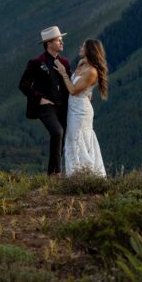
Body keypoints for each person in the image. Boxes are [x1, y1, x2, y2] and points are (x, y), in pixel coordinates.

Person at [18, 26, 72, 175]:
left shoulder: (65, 62)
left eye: (62, 40)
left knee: (63, 135)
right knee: (57, 132)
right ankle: (56, 174)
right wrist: (39, 99)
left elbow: (70, 83)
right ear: (49, 43)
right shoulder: (36, 62)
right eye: (58, 40)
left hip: (63, 106)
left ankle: (54, 173)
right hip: (45, 106)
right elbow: (23, 85)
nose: (62, 42)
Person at [54, 38, 108, 177]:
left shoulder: (92, 71)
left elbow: (73, 90)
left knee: (77, 139)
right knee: (72, 138)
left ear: (89, 50)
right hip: (73, 107)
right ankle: (76, 175)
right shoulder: (82, 63)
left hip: (81, 111)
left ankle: (85, 175)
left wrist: (63, 73)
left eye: (83, 46)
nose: (80, 47)